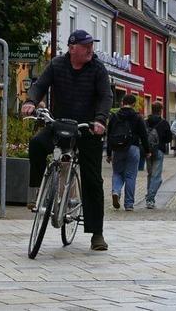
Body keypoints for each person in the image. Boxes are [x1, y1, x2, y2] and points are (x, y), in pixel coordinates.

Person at [21, 29, 112, 252]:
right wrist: (31, 101)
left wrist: (100, 120)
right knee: (36, 144)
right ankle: (35, 191)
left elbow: (105, 96)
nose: (91, 49)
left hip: (88, 129)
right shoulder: (57, 65)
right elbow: (40, 85)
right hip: (60, 123)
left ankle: (96, 234)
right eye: (86, 45)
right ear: (73, 48)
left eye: (91, 45)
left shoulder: (97, 69)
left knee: (92, 180)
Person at [106, 94, 151, 212]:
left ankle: (116, 191)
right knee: (130, 176)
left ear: (122, 102)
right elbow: (144, 135)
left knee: (117, 173)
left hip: (117, 148)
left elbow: (109, 135)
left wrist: (109, 153)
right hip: (133, 147)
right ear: (134, 104)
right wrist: (147, 151)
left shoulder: (114, 116)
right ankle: (129, 204)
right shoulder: (137, 117)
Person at [145, 101, 172, 209]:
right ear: (161, 110)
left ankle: (149, 196)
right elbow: (169, 138)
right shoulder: (164, 123)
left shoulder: (145, 122)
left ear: (152, 109)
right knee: (157, 177)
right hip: (159, 151)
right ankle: (150, 199)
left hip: (147, 152)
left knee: (150, 174)